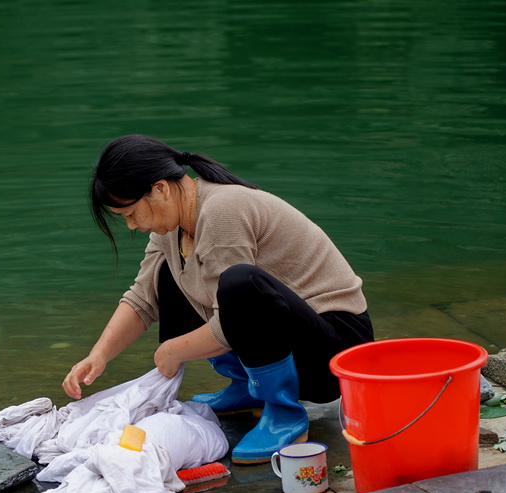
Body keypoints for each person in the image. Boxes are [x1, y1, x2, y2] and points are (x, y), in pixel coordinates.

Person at [62, 134, 373, 464]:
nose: (132, 226)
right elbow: (142, 298)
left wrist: (171, 351)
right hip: (293, 340)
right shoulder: (170, 230)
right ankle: (247, 387)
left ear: (160, 189)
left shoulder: (223, 211)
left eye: (131, 214)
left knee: (239, 283)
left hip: (336, 356)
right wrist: (98, 356)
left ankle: (284, 413)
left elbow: (234, 319)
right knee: (167, 275)